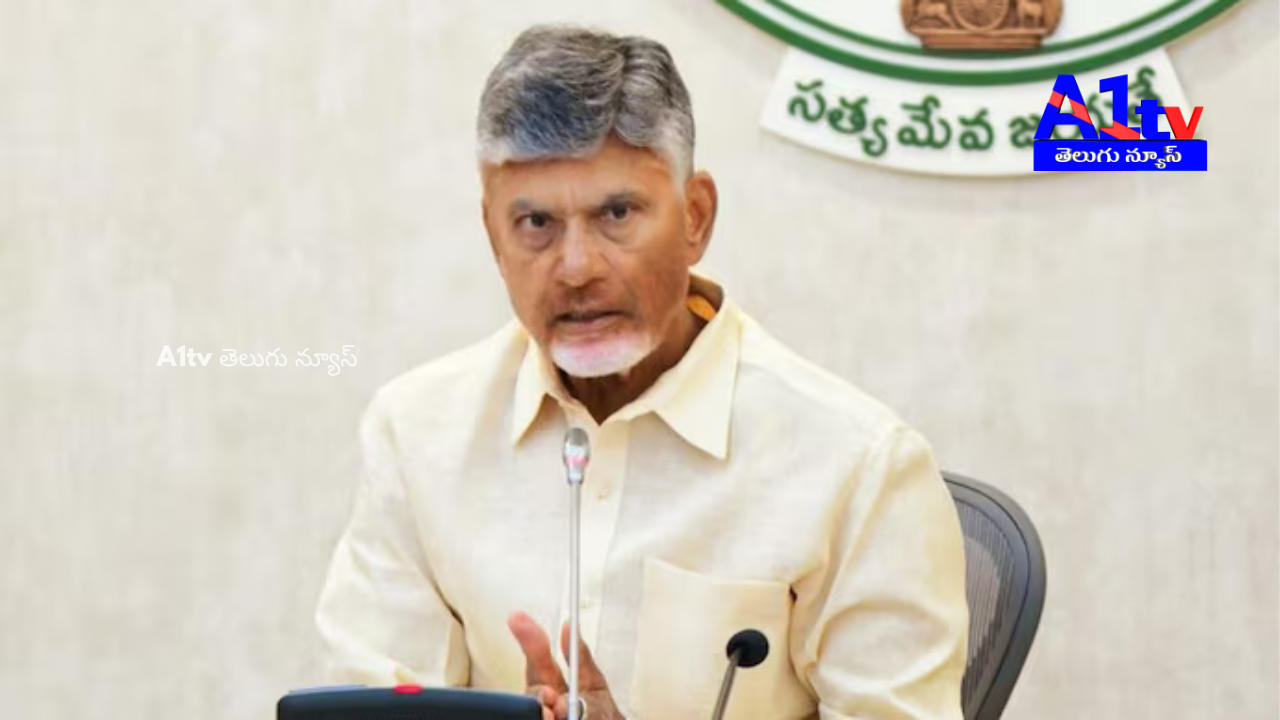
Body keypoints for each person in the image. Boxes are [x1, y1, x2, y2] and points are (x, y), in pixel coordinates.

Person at [315, 24, 968, 720]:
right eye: (535, 223)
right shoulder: (417, 433)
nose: (576, 268)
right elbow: (374, 704)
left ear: (695, 216)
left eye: (617, 214)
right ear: (492, 236)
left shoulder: (858, 465)